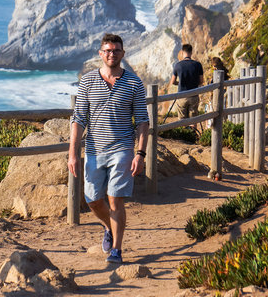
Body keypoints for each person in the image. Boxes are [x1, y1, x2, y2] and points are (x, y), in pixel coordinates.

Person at [68, 33, 149, 264]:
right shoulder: (87, 81)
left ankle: (117, 250)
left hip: (122, 148)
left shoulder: (134, 83)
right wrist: (73, 153)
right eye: (107, 50)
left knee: (115, 199)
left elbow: (142, 121)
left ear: (123, 53)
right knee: (92, 199)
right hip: (94, 150)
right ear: (100, 54)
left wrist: (140, 154)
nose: (111, 54)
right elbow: (79, 119)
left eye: (116, 50)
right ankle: (108, 227)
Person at [169, 44, 204, 119]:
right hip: (194, 95)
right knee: (193, 119)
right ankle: (193, 130)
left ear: (182, 52)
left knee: (182, 120)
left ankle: (184, 130)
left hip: (182, 96)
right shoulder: (198, 65)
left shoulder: (178, 65)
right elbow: (201, 81)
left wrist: (179, 83)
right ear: (191, 52)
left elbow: (172, 81)